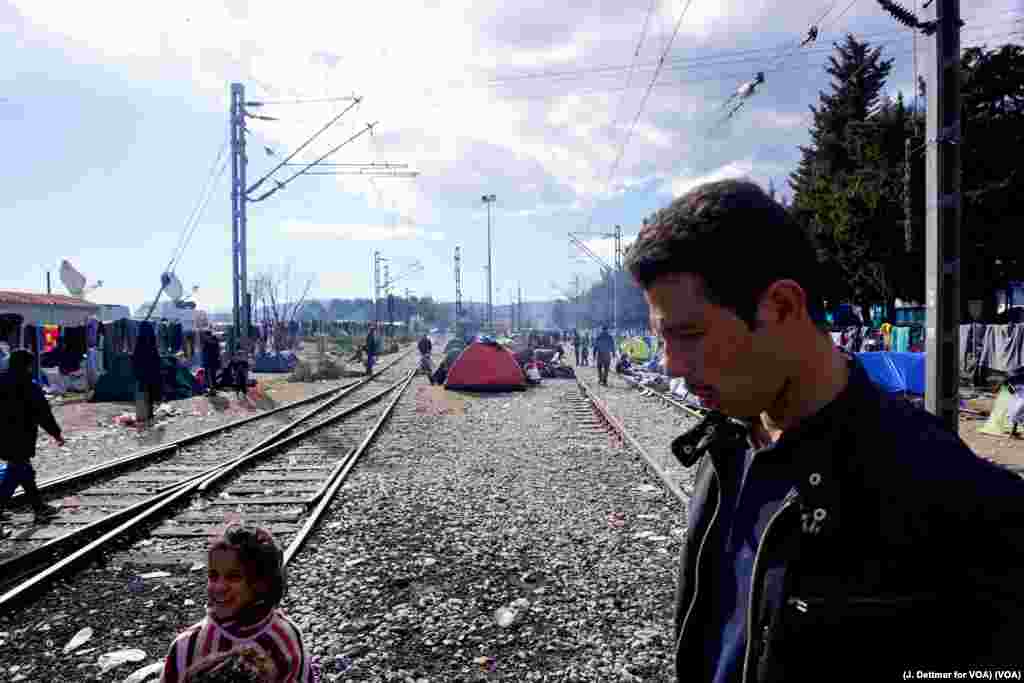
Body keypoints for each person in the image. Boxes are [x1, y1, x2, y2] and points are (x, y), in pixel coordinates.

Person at [624, 178, 1024, 680]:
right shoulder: (725, 446)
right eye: (663, 337)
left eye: (690, 334)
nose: (670, 365)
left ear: (784, 307)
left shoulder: (936, 487)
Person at [159, 525, 313, 683]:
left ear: (261, 583)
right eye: (213, 576)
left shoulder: (284, 640)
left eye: (233, 577)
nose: (219, 587)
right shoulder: (186, 646)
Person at [0, 349, 64, 527]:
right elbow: (43, 414)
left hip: (3, 436)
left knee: (22, 471)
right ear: (28, 365)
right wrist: (56, 433)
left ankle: (39, 508)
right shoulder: (30, 385)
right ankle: (38, 508)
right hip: (21, 435)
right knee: (17, 472)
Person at [202, 331, 221, 396]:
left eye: (205, 336)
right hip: (212, 362)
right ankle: (213, 390)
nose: (204, 337)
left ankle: (212, 391)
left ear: (207, 335)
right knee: (212, 377)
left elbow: (204, 350)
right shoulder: (215, 342)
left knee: (210, 377)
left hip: (209, 363)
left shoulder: (209, 342)